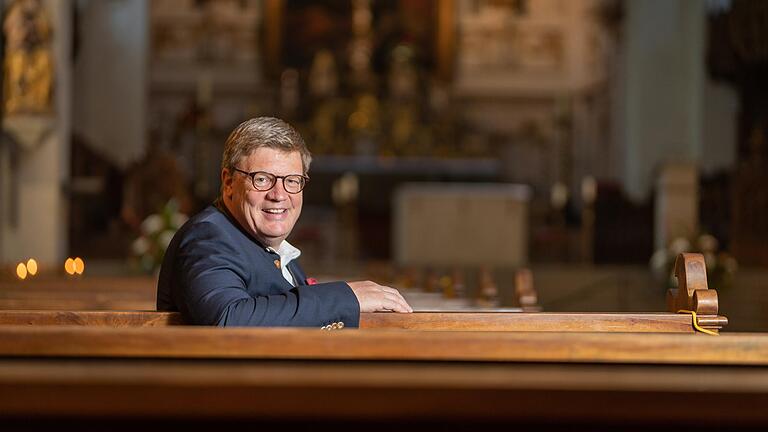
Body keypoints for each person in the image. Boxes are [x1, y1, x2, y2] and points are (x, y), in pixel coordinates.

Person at [157, 117, 412, 327]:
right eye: (263, 179)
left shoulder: (259, 243)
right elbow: (228, 318)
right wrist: (347, 296)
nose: (279, 195)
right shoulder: (210, 237)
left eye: (292, 181)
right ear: (228, 182)